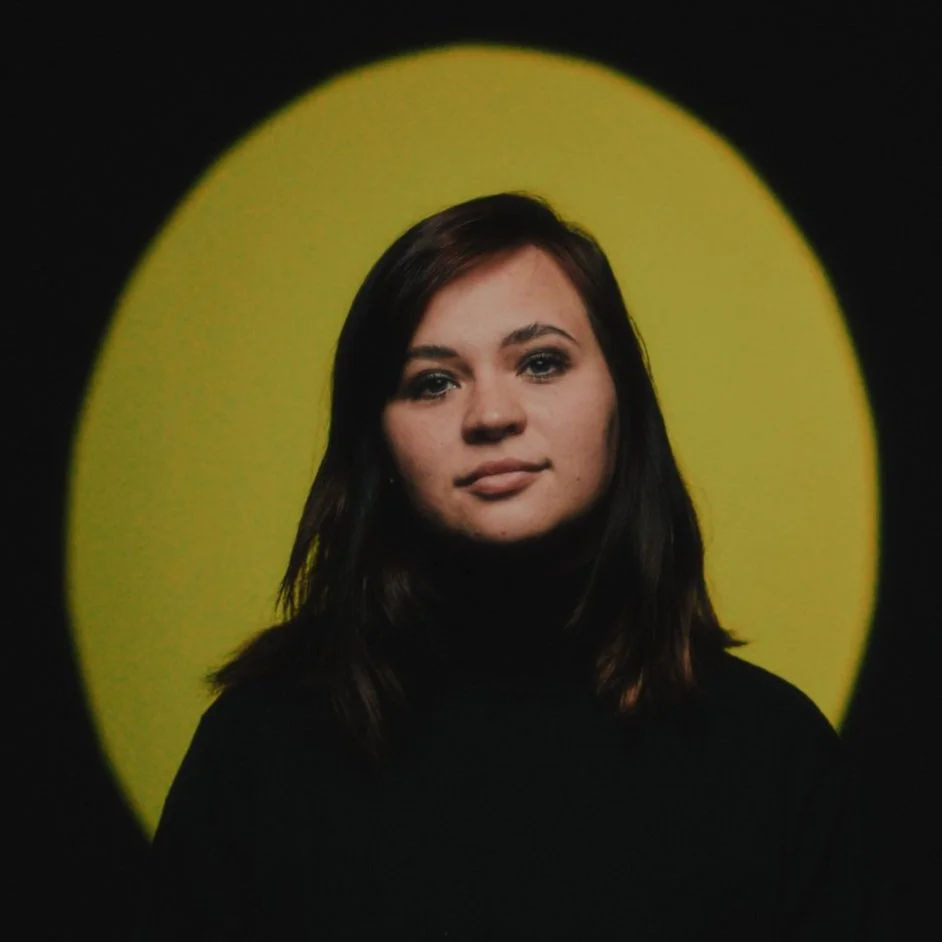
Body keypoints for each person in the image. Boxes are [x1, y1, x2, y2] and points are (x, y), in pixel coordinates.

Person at [135, 193, 871, 940]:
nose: (491, 415)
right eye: (433, 382)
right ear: (377, 440)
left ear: (622, 399)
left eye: (541, 363)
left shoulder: (774, 755)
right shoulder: (258, 752)